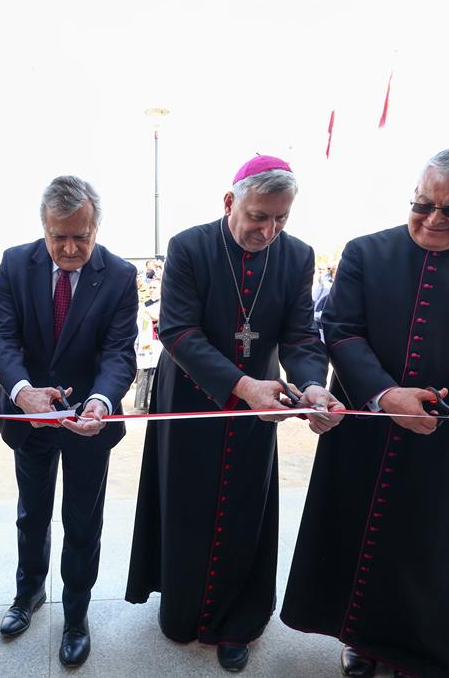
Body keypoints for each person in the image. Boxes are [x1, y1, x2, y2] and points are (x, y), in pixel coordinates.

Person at [281, 145, 449, 678]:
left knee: (437, 552)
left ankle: (426, 654)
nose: (432, 219)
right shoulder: (366, 251)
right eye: (422, 203)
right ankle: (361, 641)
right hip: (368, 432)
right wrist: (384, 395)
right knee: (359, 539)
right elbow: (342, 330)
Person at [125, 155, 342, 672]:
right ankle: (183, 609)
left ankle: (239, 621)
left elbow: (300, 336)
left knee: (245, 505)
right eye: (258, 216)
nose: (269, 231)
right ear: (230, 202)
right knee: (187, 502)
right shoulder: (190, 246)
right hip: (191, 397)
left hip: (258, 405)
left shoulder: (296, 256)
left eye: (281, 218)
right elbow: (178, 330)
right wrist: (242, 387)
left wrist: (313, 386)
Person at [0, 175, 138, 667]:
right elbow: (3, 340)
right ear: (43, 227)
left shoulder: (118, 275)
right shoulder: (15, 264)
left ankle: (76, 613)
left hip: (89, 425)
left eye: (81, 236)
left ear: (97, 228)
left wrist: (101, 402)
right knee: (31, 514)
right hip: (29, 418)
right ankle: (28, 592)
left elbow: (119, 353)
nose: (70, 248)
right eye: (59, 237)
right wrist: (22, 392)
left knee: (82, 520)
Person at [134, 280, 163, 412]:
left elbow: (160, 319)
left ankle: (153, 405)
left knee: (155, 375)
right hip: (145, 343)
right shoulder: (143, 305)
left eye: (155, 287)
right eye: (150, 287)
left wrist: (150, 313)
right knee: (143, 374)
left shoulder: (164, 304)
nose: (152, 290)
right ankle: (141, 405)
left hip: (158, 344)